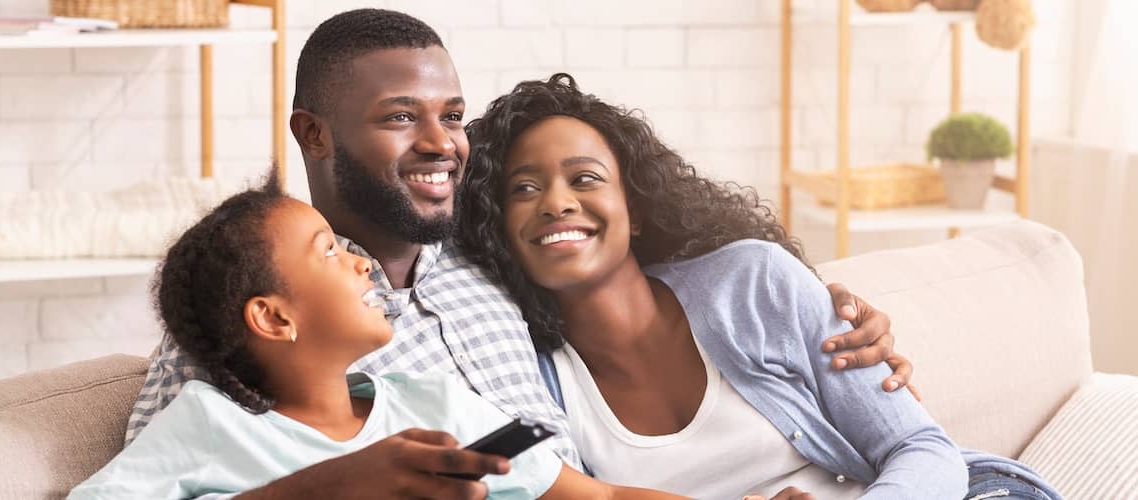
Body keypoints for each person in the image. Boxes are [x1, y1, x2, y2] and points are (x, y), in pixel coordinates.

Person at [126, 9, 912, 499]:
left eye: (453, 115)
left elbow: (634, 253)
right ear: (314, 136)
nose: (441, 143)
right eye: (402, 117)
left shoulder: (494, 259)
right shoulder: (251, 321)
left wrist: (826, 306)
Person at [459, 73, 1061, 500]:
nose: (557, 204)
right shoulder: (534, 382)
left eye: (584, 179)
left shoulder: (753, 284)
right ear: (498, 230)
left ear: (634, 209)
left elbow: (921, 449)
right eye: (524, 189)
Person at [69, 174, 692, 499]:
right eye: (328, 252)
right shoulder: (208, 429)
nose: (361, 263)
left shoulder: (433, 405)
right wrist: (315, 492)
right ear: (275, 318)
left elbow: (601, 497)